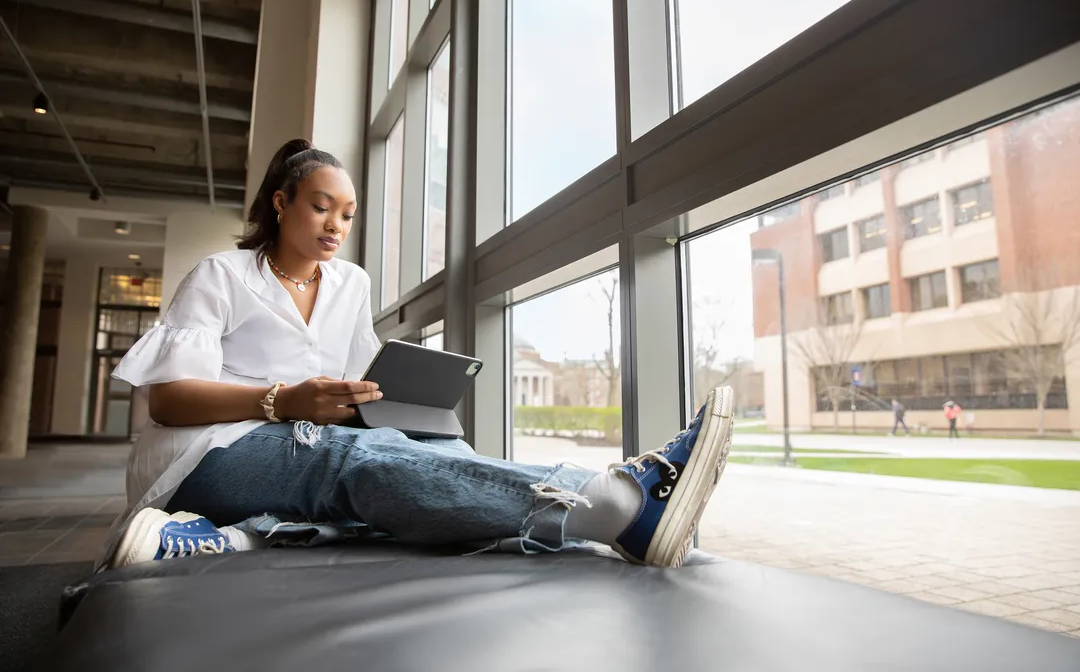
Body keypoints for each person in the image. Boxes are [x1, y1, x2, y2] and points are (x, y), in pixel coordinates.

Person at [100, 139, 735, 571]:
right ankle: (618, 504)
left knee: (441, 454)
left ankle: (252, 532)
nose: (334, 225)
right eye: (321, 207)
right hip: (211, 451)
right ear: (281, 202)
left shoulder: (350, 284)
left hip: (307, 438)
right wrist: (283, 400)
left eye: (346, 215)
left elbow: (361, 381)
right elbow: (169, 400)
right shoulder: (223, 274)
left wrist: (392, 396)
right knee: (348, 457)